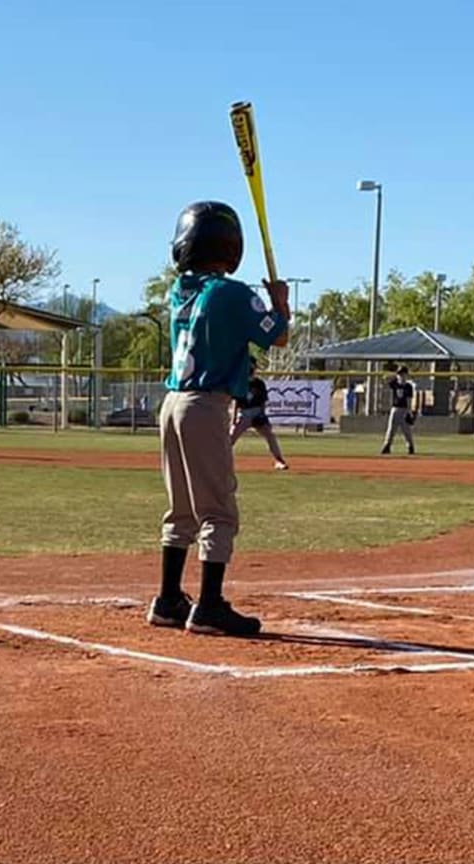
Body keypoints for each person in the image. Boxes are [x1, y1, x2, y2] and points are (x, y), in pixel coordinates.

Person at [148, 200, 290, 636]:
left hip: (172, 403)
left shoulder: (181, 291)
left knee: (183, 509)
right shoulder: (231, 292)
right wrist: (280, 302)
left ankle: (169, 600)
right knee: (219, 511)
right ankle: (209, 606)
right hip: (205, 405)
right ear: (230, 245)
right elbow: (278, 336)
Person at [231, 357, 289, 470]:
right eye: (248, 366)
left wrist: (262, 415)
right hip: (243, 413)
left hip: (257, 412)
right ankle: (221, 462)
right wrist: (233, 420)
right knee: (230, 438)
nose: (250, 369)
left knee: (270, 436)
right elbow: (236, 402)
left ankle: (279, 460)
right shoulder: (240, 382)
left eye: (252, 366)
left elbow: (263, 402)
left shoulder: (259, 383)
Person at [380, 365, 417, 456]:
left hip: (404, 409)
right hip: (395, 408)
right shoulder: (395, 383)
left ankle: (410, 447)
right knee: (391, 429)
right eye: (400, 374)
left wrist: (409, 412)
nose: (401, 376)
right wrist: (394, 375)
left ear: (406, 375)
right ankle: (387, 446)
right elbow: (384, 379)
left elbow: (409, 399)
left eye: (403, 374)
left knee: (406, 430)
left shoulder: (408, 386)